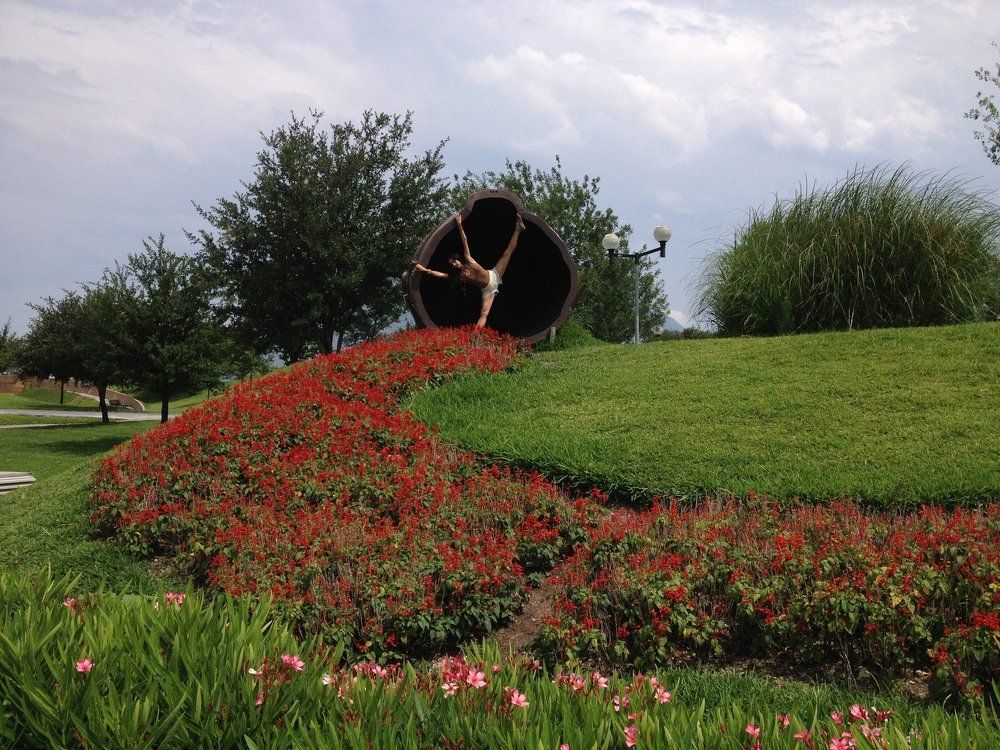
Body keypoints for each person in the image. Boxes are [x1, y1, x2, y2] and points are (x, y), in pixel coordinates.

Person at [414, 212, 526, 327]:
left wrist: (459, 225)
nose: (454, 264)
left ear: (458, 259)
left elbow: (465, 241)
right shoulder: (460, 276)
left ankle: (518, 229)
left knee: (507, 252)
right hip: (488, 290)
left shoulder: (468, 259)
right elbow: (442, 275)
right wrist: (426, 270)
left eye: (454, 261)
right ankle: (476, 335)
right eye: (452, 264)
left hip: (494, 275)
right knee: (484, 314)